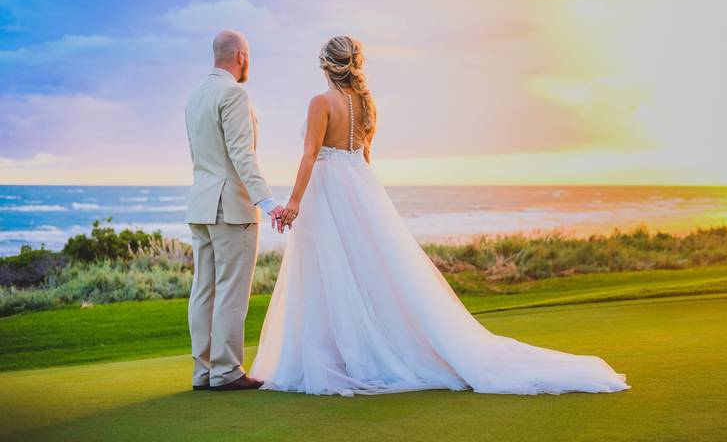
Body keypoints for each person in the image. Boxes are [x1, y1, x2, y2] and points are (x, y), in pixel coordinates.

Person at [250, 35, 630, 396]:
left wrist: (295, 201)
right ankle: (356, 355)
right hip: (359, 189)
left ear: (326, 66)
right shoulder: (365, 102)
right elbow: (364, 157)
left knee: (329, 272)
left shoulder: (322, 101)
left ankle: (340, 360)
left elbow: (311, 154)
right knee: (365, 273)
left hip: (330, 191)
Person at [184, 30, 285, 391]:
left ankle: (203, 372)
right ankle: (226, 372)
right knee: (230, 291)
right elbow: (243, 154)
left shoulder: (196, 95)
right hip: (231, 209)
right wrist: (268, 202)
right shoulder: (234, 93)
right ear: (241, 56)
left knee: (204, 289)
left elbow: (202, 156)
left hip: (201, 206)